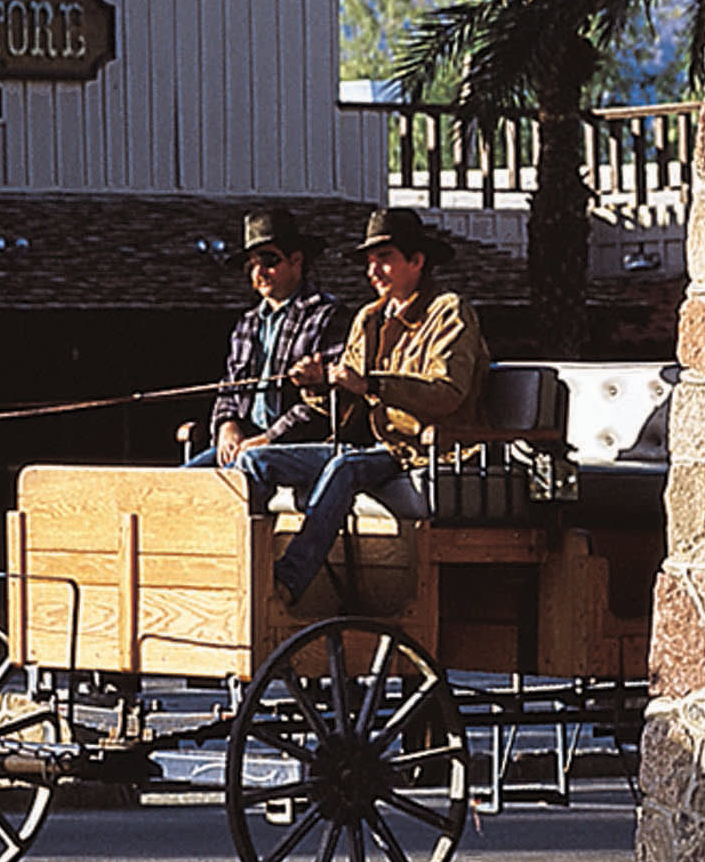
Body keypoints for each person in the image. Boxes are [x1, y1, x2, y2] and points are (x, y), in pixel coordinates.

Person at [239, 205, 490, 608]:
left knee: (344, 467)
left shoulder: (450, 312)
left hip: (425, 451)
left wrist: (372, 384)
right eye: (369, 262)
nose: (373, 271)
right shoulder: (368, 318)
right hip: (376, 446)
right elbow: (346, 399)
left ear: (417, 261)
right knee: (256, 463)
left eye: (384, 259)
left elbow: (447, 392)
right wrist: (318, 384)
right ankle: (243, 571)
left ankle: (286, 585)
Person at [190, 205, 352, 467]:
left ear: (296, 260)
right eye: (251, 265)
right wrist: (226, 425)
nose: (258, 273)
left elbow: (326, 403)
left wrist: (269, 438)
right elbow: (229, 387)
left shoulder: (328, 316)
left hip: (300, 447)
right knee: (179, 483)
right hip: (246, 445)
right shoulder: (248, 323)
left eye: (268, 261)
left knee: (241, 470)